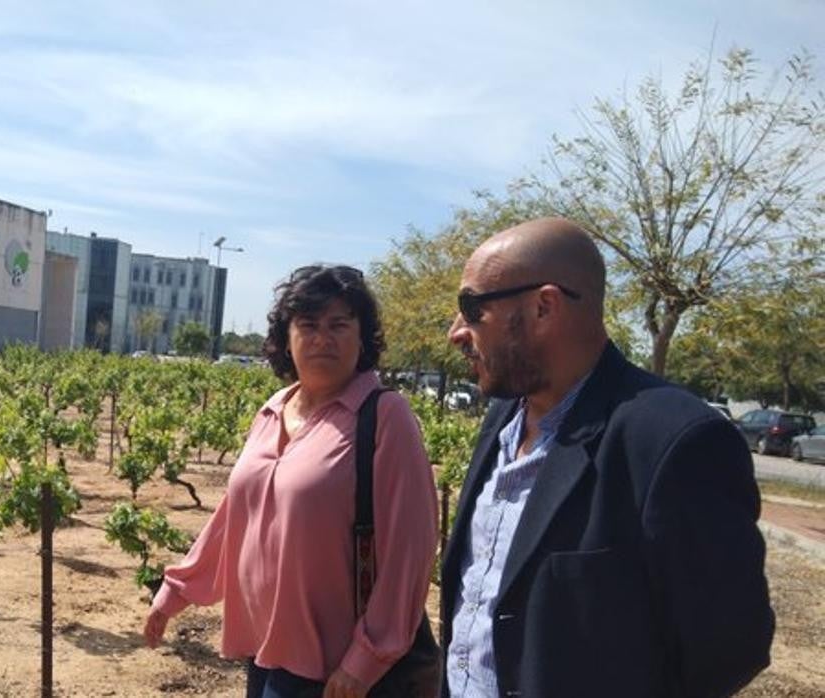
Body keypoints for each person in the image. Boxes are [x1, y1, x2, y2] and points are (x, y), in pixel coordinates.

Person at [439, 218, 774, 697]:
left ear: (544, 307)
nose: (456, 332)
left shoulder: (674, 441)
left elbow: (729, 648)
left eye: (472, 310)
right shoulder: (502, 418)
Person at [143, 264, 438, 698]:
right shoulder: (272, 409)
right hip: (265, 651)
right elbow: (234, 518)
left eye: (340, 324)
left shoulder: (384, 416)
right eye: (309, 325)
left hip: (333, 668)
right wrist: (177, 590)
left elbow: (409, 551)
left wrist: (366, 659)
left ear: (363, 337)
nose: (323, 337)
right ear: (287, 338)